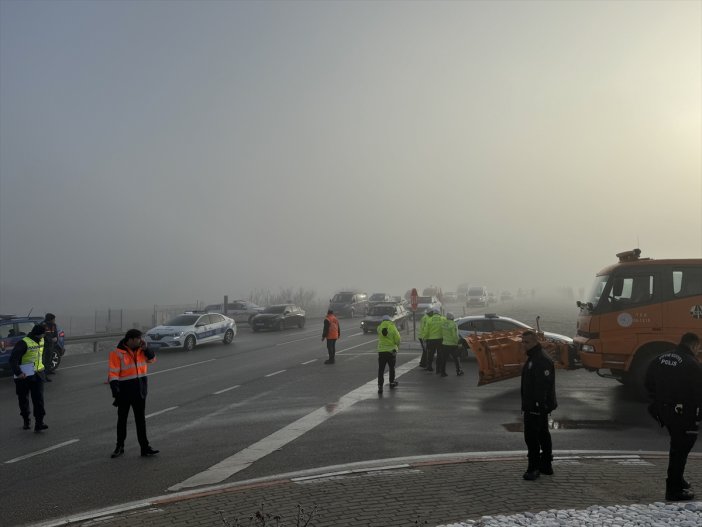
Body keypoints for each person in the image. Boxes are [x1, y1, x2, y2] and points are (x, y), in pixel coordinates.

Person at [645, 332, 702, 501]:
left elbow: (648, 383)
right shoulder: (692, 364)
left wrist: (660, 399)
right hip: (684, 413)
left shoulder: (660, 358)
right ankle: (673, 488)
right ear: (693, 345)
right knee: (682, 448)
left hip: (664, 410)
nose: (699, 351)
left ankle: (678, 479)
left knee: (677, 444)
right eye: (699, 348)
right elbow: (698, 393)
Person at [108, 329, 159, 458]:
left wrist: (146, 348)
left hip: (140, 391)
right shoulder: (117, 353)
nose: (141, 341)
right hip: (124, 392)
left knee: (141, 421)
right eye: (138, 339)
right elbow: (113, 373)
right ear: (130, 339)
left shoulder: (142, 349)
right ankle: (119, 446)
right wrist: (116, 392)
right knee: (122, 421)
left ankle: (145, 447)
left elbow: (152, 359)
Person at [520, 330, 557, 480]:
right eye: (522, 342)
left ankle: (534, 468)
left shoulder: (540, 359)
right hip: (536, 405)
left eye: (526, 342)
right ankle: (546, 465)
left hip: (536, 406)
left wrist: (536, 406)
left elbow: (542, 386)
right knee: (542, 435)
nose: (523, 345)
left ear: (535, 342)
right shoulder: (534, 357)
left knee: (532, 437)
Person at [9, 324, 48, 432]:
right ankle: (26, 420)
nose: (45, 335)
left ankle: (39, 423)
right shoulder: (23, 343)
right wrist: (19, 373)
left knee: (39, 399)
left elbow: (40, 355)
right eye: (44, 333)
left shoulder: (42, 340)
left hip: (38, 374)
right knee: (23, 399)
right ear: (39, 334)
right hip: (23, 376)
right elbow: (13, 360)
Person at [377, 315, 400, 394]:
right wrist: (397, 345)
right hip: (391, 351)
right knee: (392, 368)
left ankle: (380, 386)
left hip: (381, 351)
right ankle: (392, 382)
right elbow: (398, 338)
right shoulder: (392, 327)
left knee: (381, 370)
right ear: (390, 320)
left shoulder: (379, 328)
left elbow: (382, 334)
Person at [439, 312, 464, 377]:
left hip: (445, 344)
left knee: (444, 359)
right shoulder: (453, 324)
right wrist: (457, 342)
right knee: (456, 358)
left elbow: (441, 333)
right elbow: (454, 335)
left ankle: (442, 372)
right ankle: (458, 371)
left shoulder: (443, 323)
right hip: (452, 344)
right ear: (452, 317)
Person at [424, 308, 444, 373]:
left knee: (430, 354)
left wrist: (425, 338)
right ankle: (439, 369)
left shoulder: (429, 320)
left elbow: (426, 331)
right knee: (440, 354)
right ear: (439, 313)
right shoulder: (443, 319)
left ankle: (429, 367)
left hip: (431, 340)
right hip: (440, 340)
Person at [41, 313, 58, 381]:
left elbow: (55, 333)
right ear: (50, 320)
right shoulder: (43, 325)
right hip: (45, 346)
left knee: (50, 359)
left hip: (51, 345)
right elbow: (43, 336)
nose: (54, 320)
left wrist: (56, 339)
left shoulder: (54, 325)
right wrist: (51, 340)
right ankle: (44, 376)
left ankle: (49, 370)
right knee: (44, 361)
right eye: (53, 319)